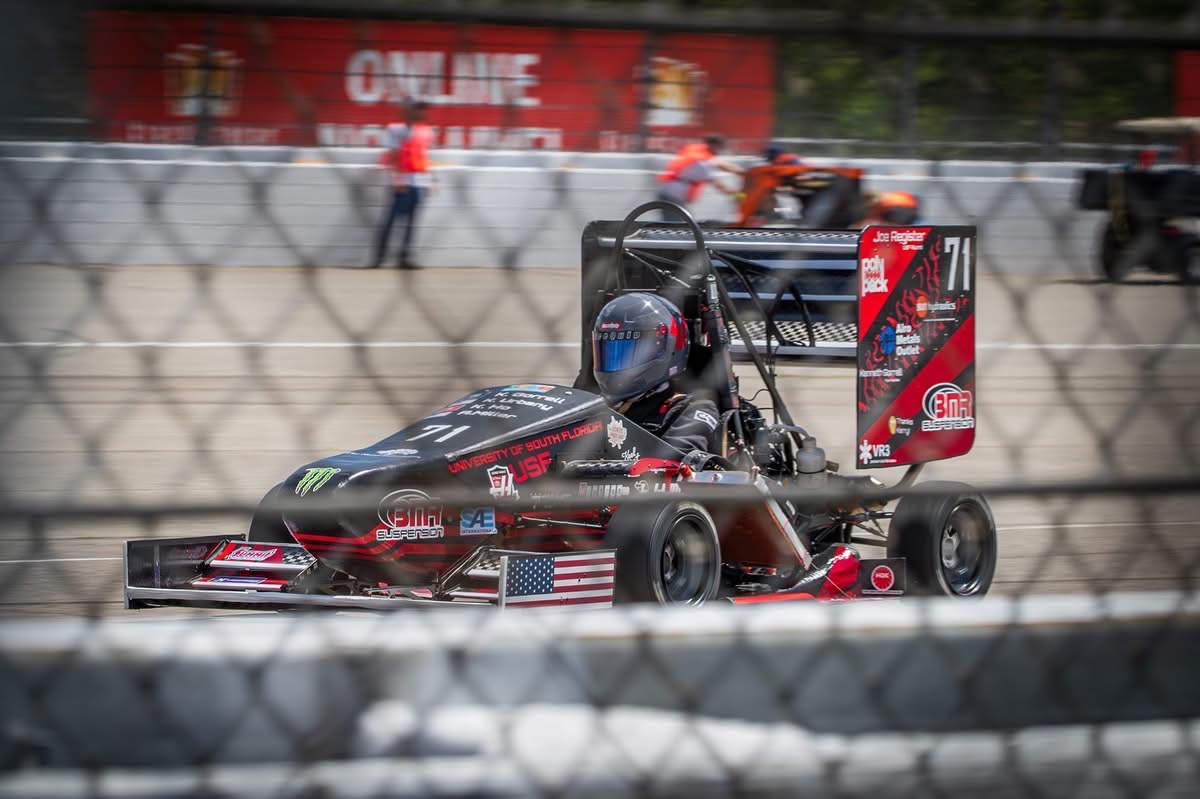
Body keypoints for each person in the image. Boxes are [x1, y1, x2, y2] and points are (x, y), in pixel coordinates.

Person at [591, 292, 721, 455]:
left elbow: (677, 461)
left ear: (663, 349)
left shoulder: (690, 409)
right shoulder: (589, 405)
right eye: (610, 351)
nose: (617, 360)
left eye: (628, 352)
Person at [372, 100, 435, 269]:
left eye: (423, 110)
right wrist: (398, 180)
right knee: (391, 220)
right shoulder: (396, 130)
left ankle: (404, 258)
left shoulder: (426, 131)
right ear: (409, 110)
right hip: (403, 180)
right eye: (418, 109)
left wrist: (429, 180)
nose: (422, 113)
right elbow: (394, 156)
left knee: (411, 221)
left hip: (418, 181)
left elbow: (424, 156)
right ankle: (379, 257)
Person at [655, 134, 744, 216]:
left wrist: (743, 173)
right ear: (713, 145)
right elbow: (720, 186)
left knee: (682, 223)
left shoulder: (698, 151)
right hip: (672, 196)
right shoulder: (701, 163)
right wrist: (740, 197)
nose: (720, 151)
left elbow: (720, 164)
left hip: (670, 193)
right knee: (678, 226)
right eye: (720, 147)